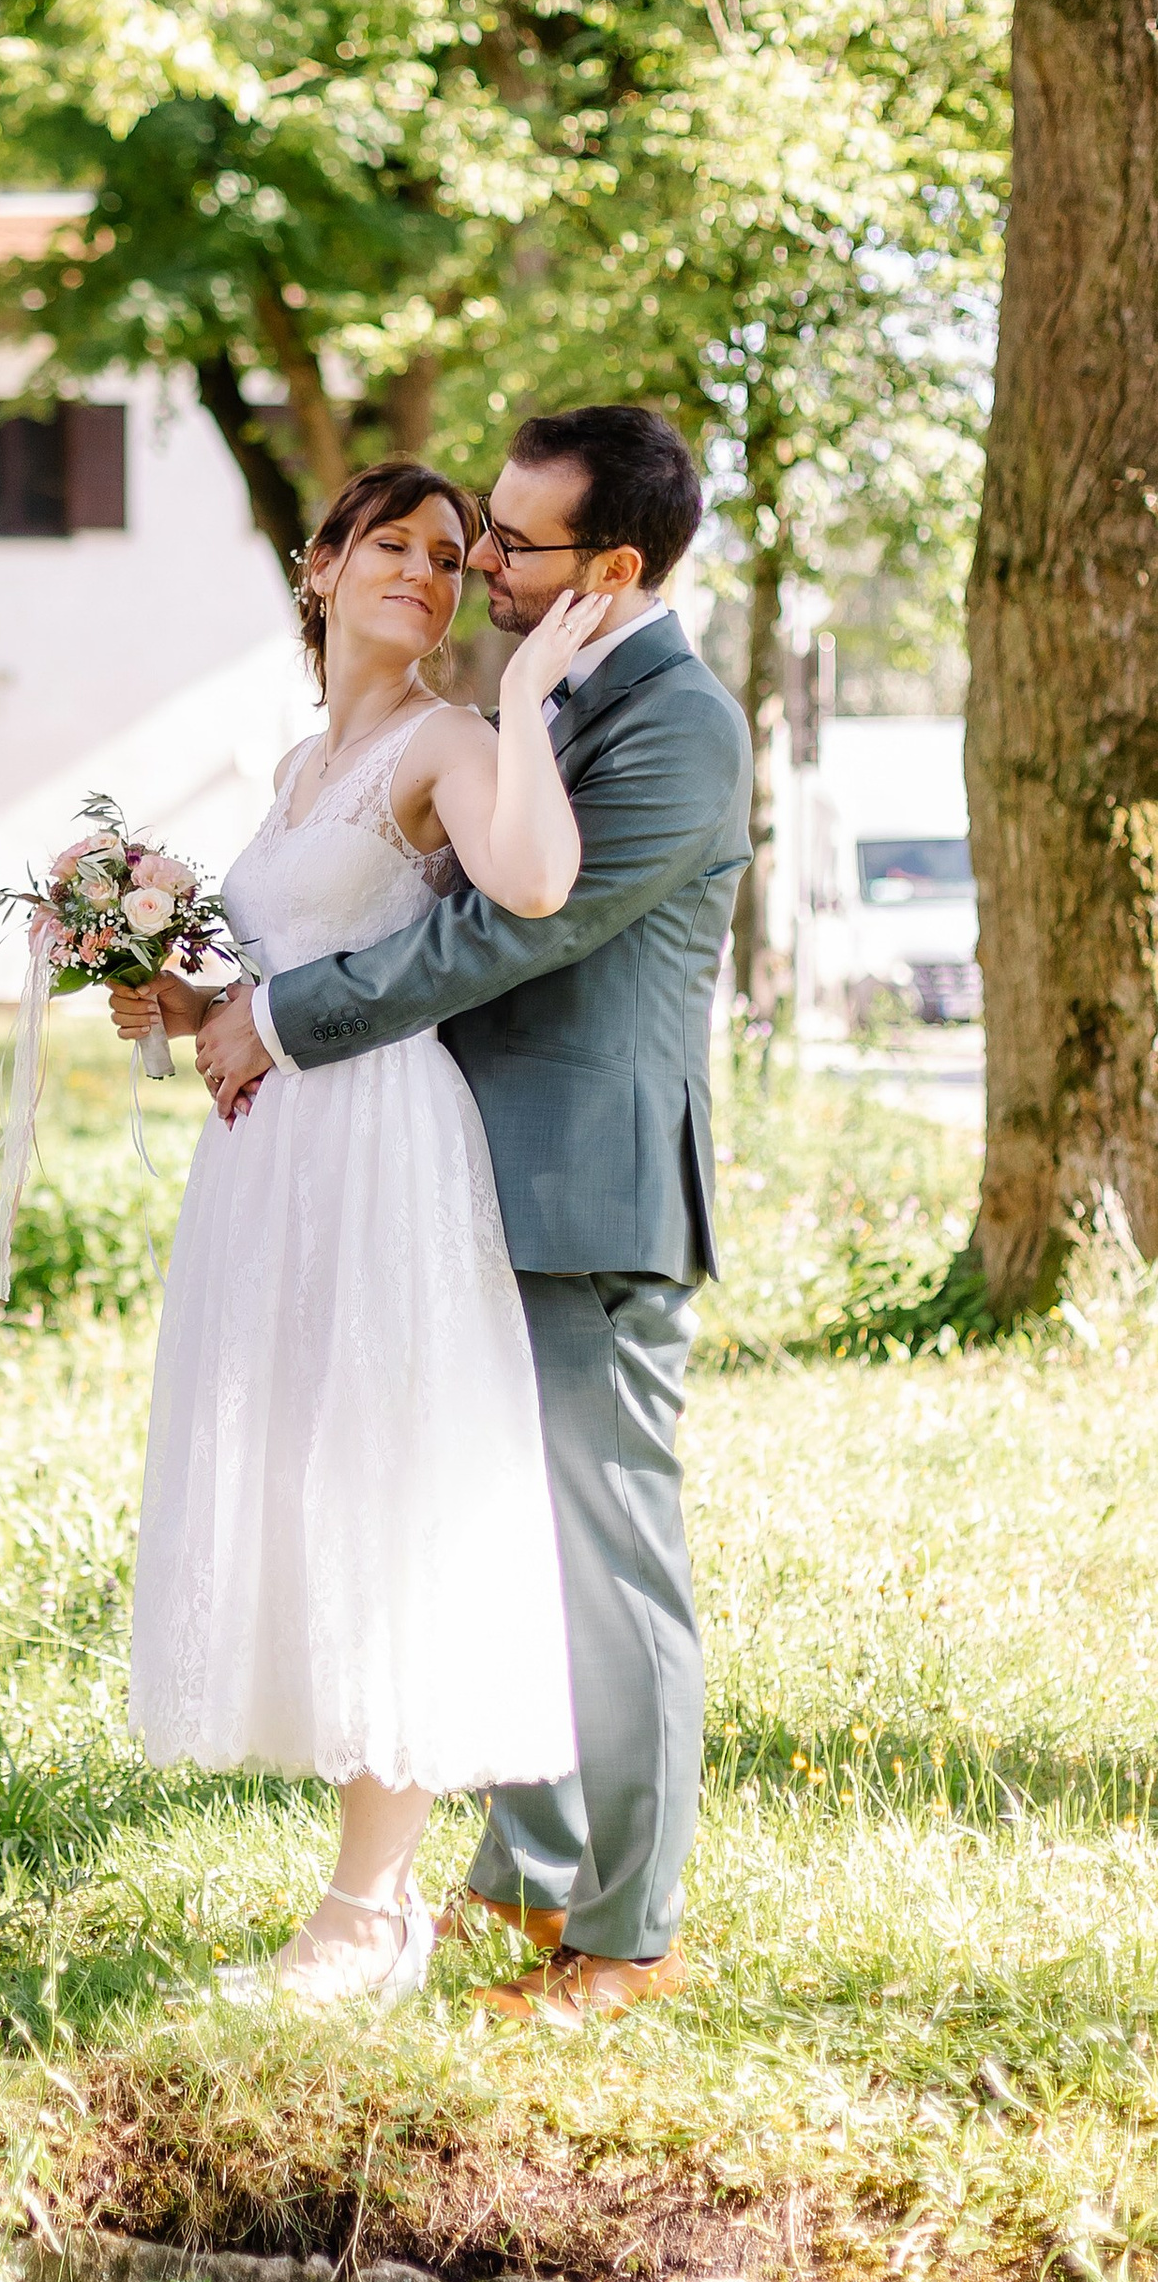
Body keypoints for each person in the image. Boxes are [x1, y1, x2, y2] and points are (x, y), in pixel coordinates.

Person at [176, 405, 751, 2027]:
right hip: (450, 1184)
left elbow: (495, 946)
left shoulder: (677, 727)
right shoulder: (556, 693)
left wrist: (283, 1022)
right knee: (500, 1548)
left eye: (511, 541)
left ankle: (624, 1942)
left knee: (606, 1568)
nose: (481, 560)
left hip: (586, 1194)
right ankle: (521, 1887)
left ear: (614, 567)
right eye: (470, 530)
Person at [111, 454, 607, 2008]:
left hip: (385, 1142)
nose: (428, 571)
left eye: (451, 557)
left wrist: (524, 701)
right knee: (306, 1488)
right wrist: (175, 998)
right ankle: (356, 1899)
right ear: (319, 569)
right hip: (277, 1165)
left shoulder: (444, 741)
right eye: (392, 543)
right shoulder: (289, 773)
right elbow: (274, 966)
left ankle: (369, 1918)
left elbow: (530, 882)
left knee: (384, 1486)